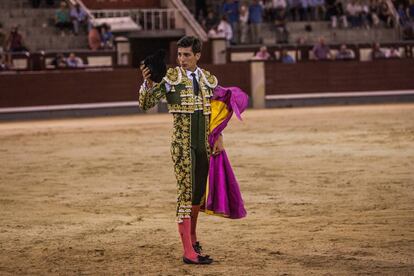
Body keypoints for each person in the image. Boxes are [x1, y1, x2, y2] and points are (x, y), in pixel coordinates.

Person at [138, 36, 222, 265]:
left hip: (204, 145)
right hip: (182, 146)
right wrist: (149, 84)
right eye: (179, 55)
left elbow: (215, 111)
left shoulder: (208, 79)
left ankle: (193, 238)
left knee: (197, 194)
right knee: (185, 195)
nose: (182, 59)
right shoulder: (170, 78)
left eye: (186, 55)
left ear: (197, 56)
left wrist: (219, 136)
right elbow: (146, 104)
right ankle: (188, 252)